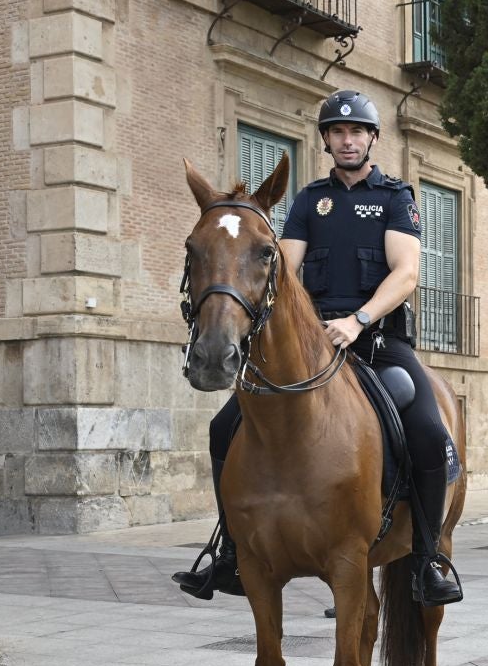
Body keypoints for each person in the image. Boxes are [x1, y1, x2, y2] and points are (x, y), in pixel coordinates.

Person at [173, 90, 462, 605]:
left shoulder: (395, 197)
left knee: (426, 428)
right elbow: (281, 268)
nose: (347, 140)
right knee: (224, 429)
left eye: (357, 132)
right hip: (315, 341)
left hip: (379, 341)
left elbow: (407, 271)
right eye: (337, 132)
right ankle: (229, 551)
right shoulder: (308, 202)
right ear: (326, 141)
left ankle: (426, 557)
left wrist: (359, 319)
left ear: (371, 139)